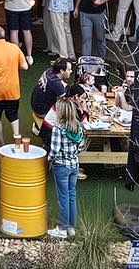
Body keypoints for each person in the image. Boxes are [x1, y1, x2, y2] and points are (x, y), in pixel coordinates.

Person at [46, 97, 85, 239]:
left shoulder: (58, 128)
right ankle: (71, 227)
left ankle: (62, 228)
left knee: (63, 197)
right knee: (71, 195)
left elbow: (55, 150)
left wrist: (49, 160)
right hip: (74, 165)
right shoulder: (78, 126)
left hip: (61, 166)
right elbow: (81, 146)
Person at [31, 58, 73, 147]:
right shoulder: (56, 84)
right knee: (68, 112)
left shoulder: (49, 71)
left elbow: (62, 84)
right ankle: (44, 132)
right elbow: (67, 101)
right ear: (62, 71)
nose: (71, 71)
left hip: (35, 104)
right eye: (69, 70)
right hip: (42, 111)